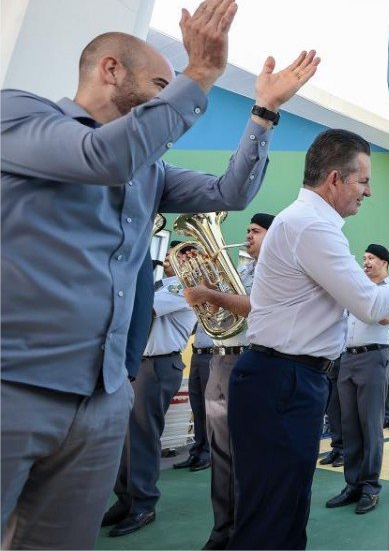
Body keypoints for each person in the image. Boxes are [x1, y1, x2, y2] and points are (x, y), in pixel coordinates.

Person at [0, 0, 319, 548]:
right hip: (14, 389)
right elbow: (101, 155)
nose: (169, 103)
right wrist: (198, 73)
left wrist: (264, 115)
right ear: (109, 69)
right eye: (158, 88)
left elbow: (231, 191)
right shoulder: (20, 116)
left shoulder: (149, 170)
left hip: (101, 402)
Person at [226, 129, 389, 549]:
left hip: (285, 378)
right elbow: (369, 303)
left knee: (285, 506)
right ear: (335, 179)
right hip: (284, 380)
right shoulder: (312, 226)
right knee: (272, 514)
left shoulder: (305, 222)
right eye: (363, 181)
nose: (368, 192)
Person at [182, 212, 273, 550]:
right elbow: (212, 311)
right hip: (220, 359)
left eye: (257, 231)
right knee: (220, 450)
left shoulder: (274, 269)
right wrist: (201, 285)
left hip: (249, 358)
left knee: (245, 452)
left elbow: (255, 307)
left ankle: (246, 530)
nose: (248, 235)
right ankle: (222, 528)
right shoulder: (240, 270)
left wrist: (210, 294)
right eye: (247, 229)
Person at [103, 244, 198, 537]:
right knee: (126, 437)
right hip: (138, 363)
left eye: (182, 255)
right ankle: (126, 498)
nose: (174, 258)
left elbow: (146, 308)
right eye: (173, 253)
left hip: (157, 366)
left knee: (142, 436)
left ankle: (143, 503)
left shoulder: (184, 287)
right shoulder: (159, 283)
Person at [325, 243, 389, 515]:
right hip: (348, 358)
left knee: (370, 425)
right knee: (349, 425)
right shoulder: (358, 288)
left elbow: (386, 317)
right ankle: (352, 484)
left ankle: (370, 487)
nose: (365, 262)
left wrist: (362, 294)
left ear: (384, 262)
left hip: (375, 357)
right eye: (364, 258)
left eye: (371, 258)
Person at [174, 325, 213, 472]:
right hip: (197, 355)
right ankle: (196, 451)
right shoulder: (198, 307)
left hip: (212, 354)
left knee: (208, 407)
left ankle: (208, 453)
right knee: (196, 406)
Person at [318, 358, 346, 468]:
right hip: (332, 360)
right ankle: (337, 448)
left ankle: (346, 452)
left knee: (346, 410)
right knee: (333, 410)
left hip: (347, 356)